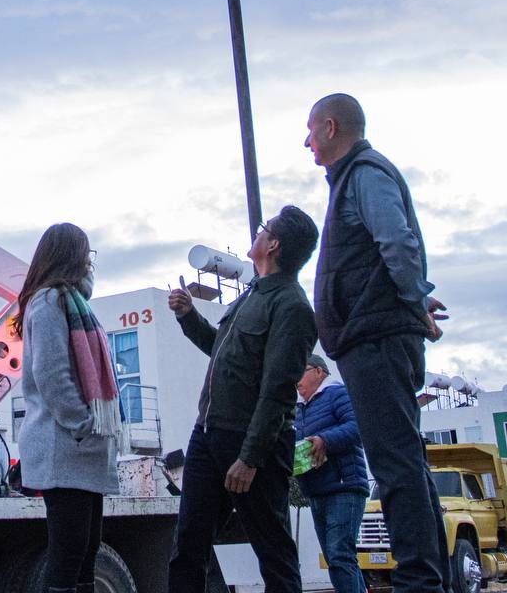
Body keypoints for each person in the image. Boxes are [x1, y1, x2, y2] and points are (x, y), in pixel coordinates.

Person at [305, 93, 450, 593]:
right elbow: (386, 252)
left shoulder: (365, 174)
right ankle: (431, 579)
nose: (306, 141)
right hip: (373, 338)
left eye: (310, 130)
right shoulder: (354, 179)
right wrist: (414, 298)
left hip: (377, 341)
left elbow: (398, 242)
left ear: (330, 127)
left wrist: (413, 299)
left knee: (395, 467)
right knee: (404, 463)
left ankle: (419, 583)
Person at [167, 206, 319, 593]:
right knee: (188, 545)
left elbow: (277, 392)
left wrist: (250, 458)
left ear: (274, 244)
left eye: (264, 229)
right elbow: (221, 353)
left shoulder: (292, 308)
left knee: (274, 551)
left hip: (252, 446)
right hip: (208, 434)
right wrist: (188, 316)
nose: (258, 233)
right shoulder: (253, 294)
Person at [14, 222, 122, 593]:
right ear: (71, 256)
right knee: (69, 551)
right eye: (86, 253)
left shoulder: (73, 302)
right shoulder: (49, 302)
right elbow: (51, 375)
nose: (90, 261)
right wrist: (83, 425)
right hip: (63, 445)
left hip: (82, 448)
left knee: (87, 548)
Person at [294, 354, 369, 593]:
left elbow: (358, 427)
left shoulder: (338, 394)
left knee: (339, 555)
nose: (296, 380)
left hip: (344, 486)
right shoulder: (300, 408)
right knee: (336, 557)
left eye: (301, 371)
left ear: (319, 371)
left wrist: (324, 440)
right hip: (317, 491)